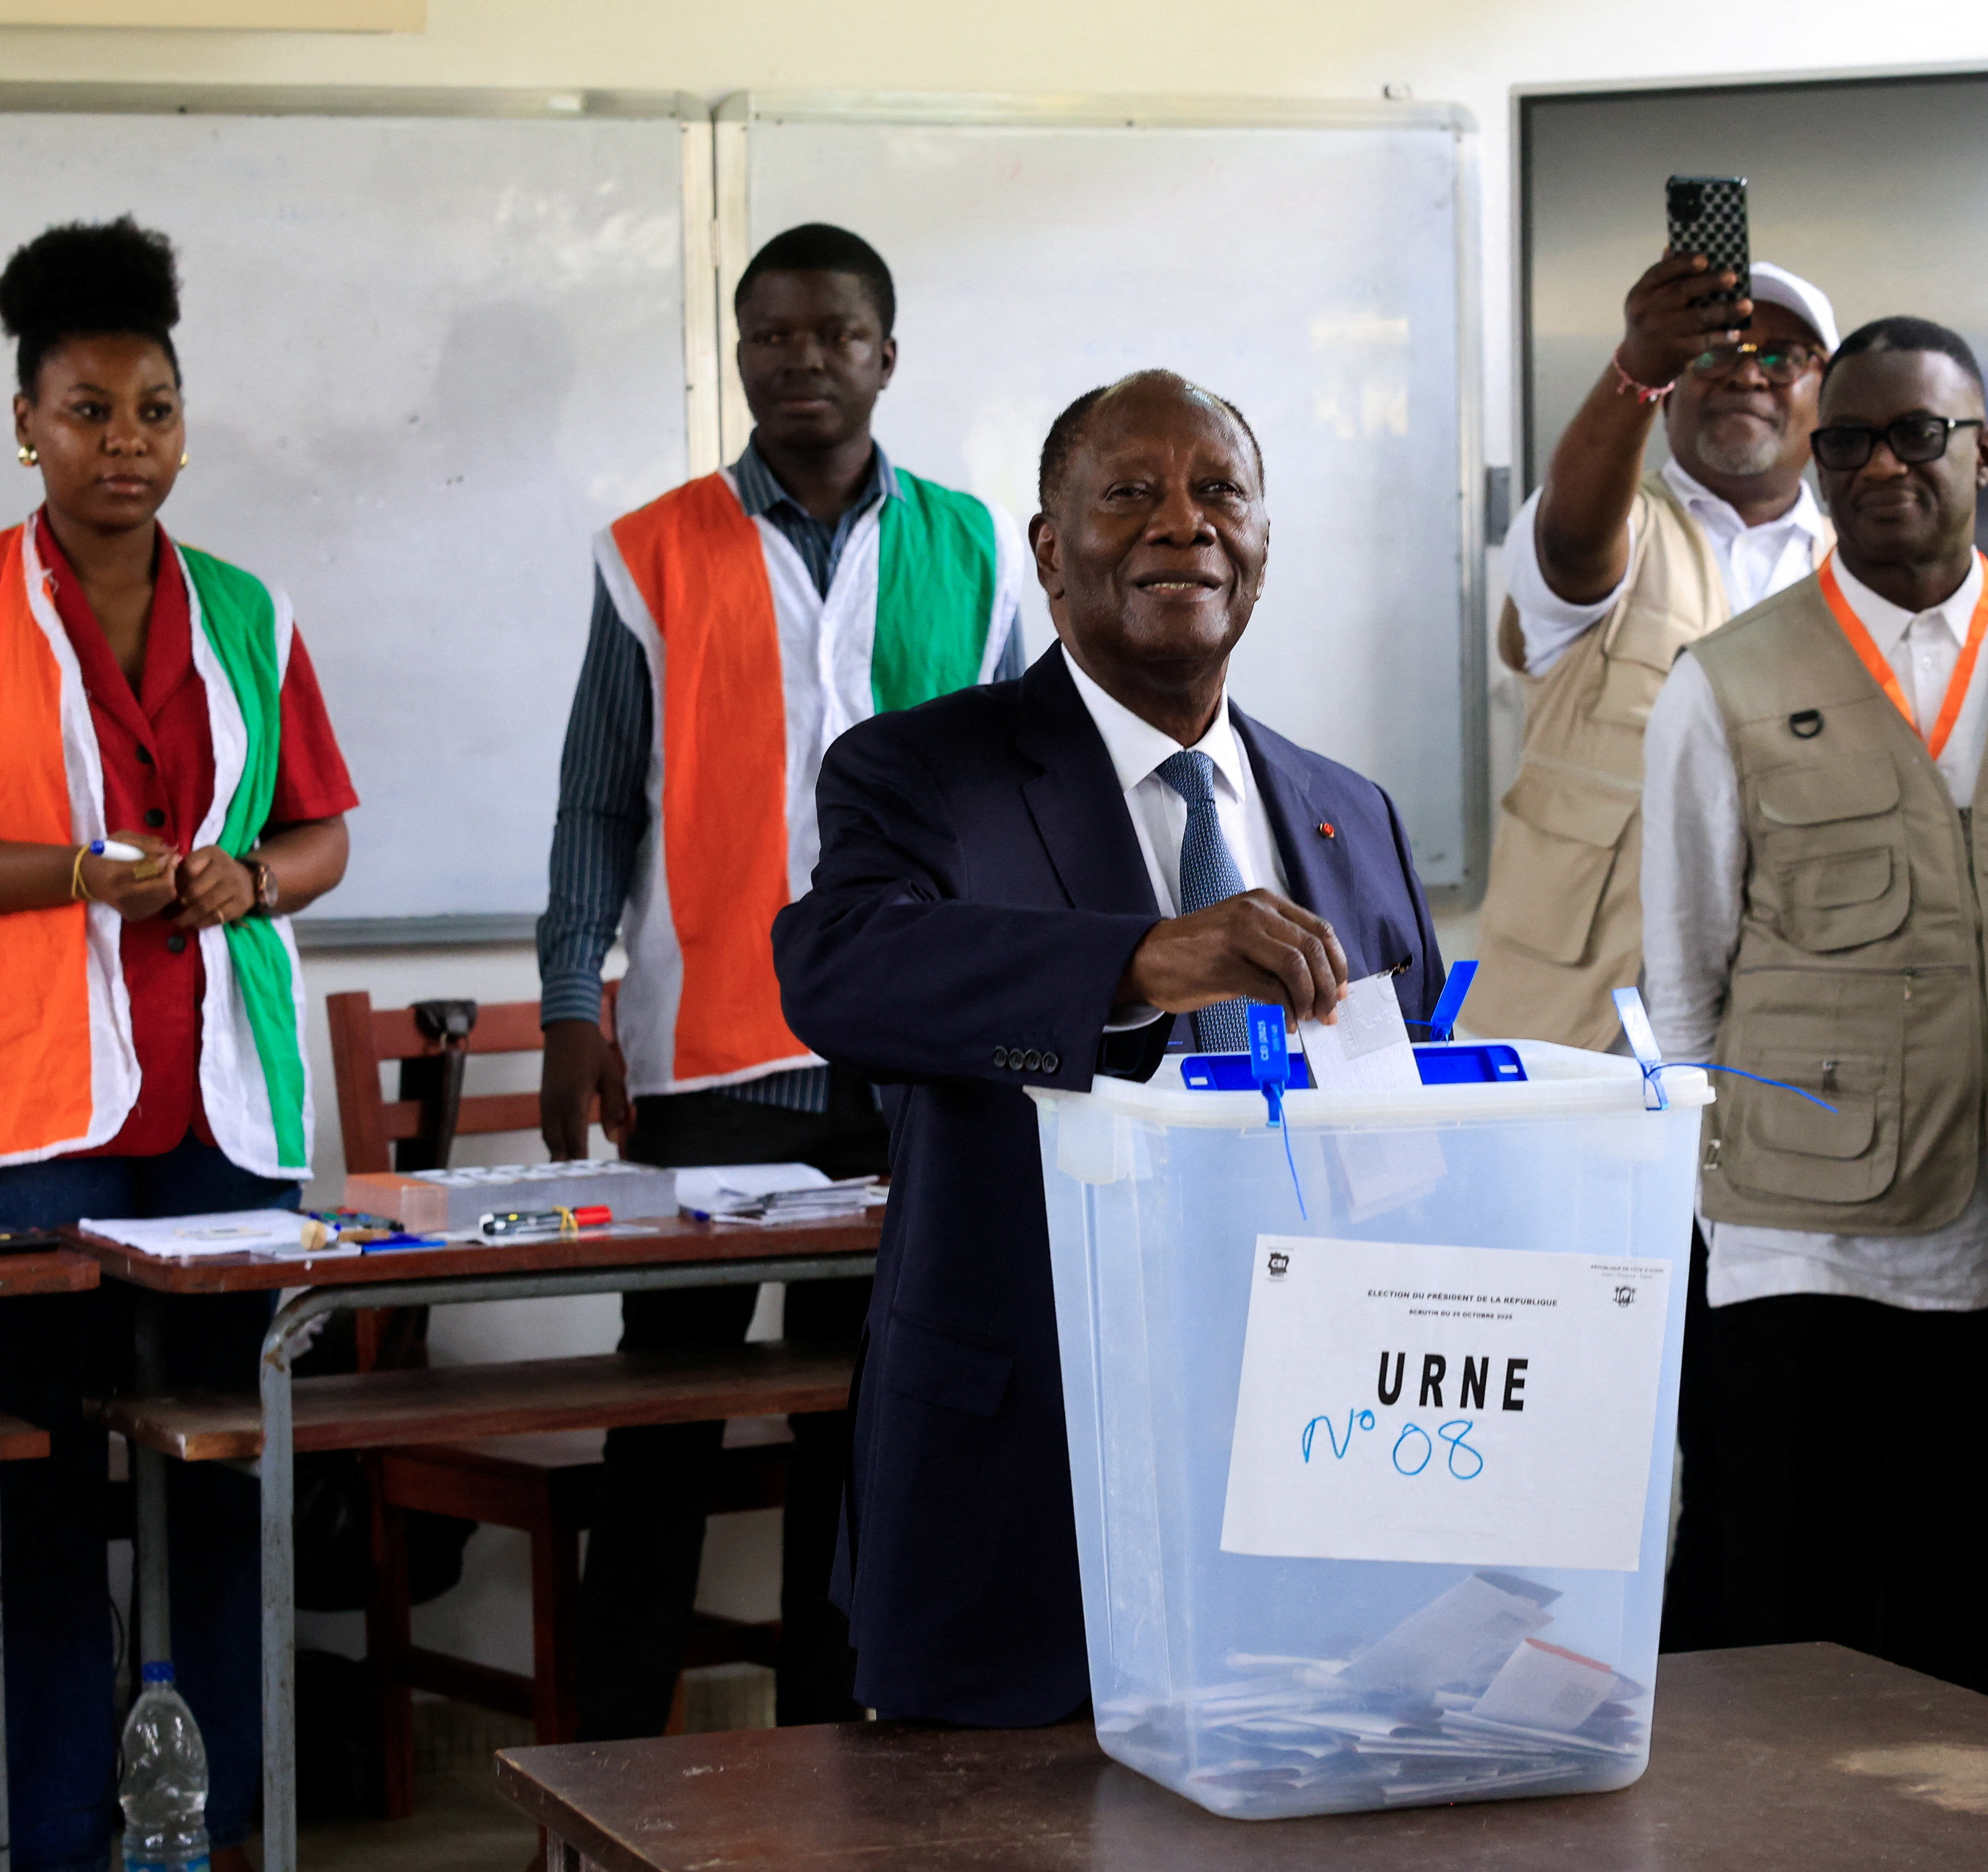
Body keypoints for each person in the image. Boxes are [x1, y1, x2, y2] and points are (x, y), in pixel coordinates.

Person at [0, 216, 355, 1872]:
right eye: (87, 410)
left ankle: (219, 1840)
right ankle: (51, 1849)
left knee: (221, 1478)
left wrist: (249, 881)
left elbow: (321, 834)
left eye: (154, 409)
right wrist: (74, 872)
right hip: (23, 1116)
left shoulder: (254, 611)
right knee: (41, 1486)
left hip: (221, 1109)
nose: (124, 441)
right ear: (25, 424)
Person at [771, 370, 1444, 1721]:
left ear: (1260, 546)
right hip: (1026, 1471)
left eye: (1218, 493)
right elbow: (837, 971)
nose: (1182, 523)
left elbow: (1402, 1134)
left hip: (1311, 1460)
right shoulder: (921, 771)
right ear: (1048, 549)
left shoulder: (1348, 811)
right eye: (1129, 492)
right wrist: (1138, 962)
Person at [533, 224, 1027, 1757]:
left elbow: (1020, 791)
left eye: (833, 334)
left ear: (886, 354)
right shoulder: (651, 549)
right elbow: (596, 801)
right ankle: (607, 1776)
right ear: (739, 355)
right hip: (713, 1066)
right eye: (770, 335)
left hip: (915, 1056)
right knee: (663, 1425)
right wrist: (569, 1005)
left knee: (870, 1430)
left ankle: (840, 1764)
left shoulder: (977, 546)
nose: (800, 359)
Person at [1638, 316, 1988, 1698]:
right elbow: (1680, 979)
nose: (1877, 468)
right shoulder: (1724, 679)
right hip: (1795, 1247)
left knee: (1955, 1624)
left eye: (1915, 435)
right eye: (1845, 441)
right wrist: (1717, 1215)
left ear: (1984, 450)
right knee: (1777, 1628)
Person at [1466, 258, 1838, 1052]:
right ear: (1671, 388)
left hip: (1780, 1023)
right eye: (1717, 352)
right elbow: (1571, 547)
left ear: (1827, 396)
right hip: (1581, 1028)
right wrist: (1635, 368)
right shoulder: (1615, 525)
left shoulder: (1857, 577)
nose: (1748, 374)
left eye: (1783, 357)